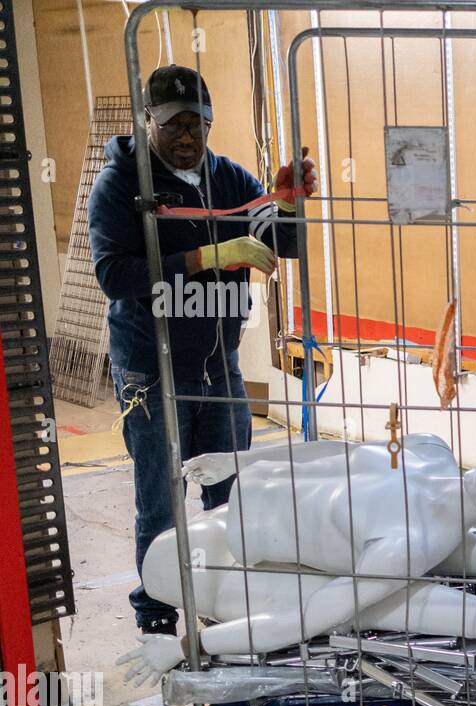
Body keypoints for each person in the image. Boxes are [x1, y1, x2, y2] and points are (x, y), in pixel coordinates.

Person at [89, 65, 317, 638]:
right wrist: (206, 257)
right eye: (173, 125)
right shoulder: (121, 183)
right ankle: (158, 612)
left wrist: (286, 201)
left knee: (229, 489)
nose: (186, 137)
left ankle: (228, 597)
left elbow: (284, 243)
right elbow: (114, 274)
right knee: (161, 496)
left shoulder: (229, 179)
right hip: (151, 366)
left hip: (218, 365)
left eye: (197, 124)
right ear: (147, 123)